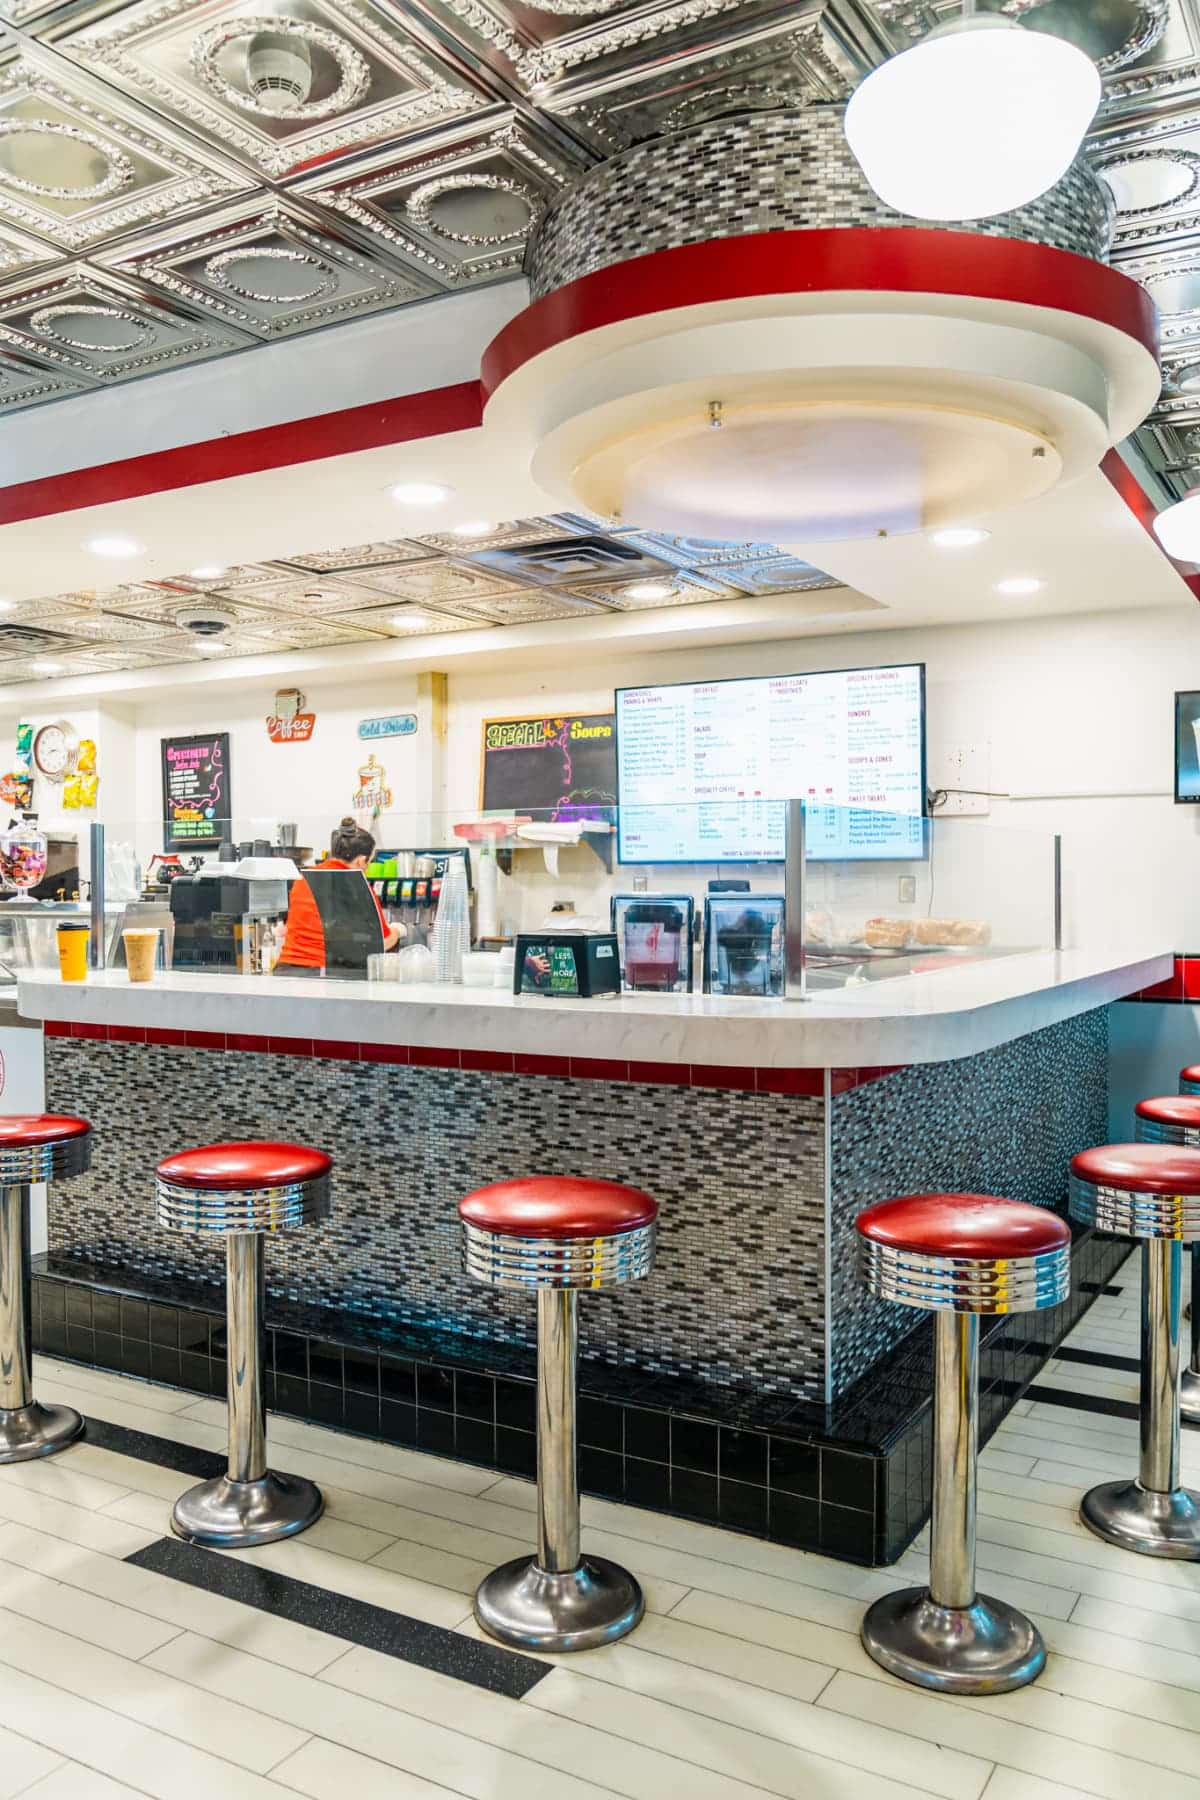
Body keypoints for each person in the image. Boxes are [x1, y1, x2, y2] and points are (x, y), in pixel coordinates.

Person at [276, 817, 400, 974]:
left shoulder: (304, 879)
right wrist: (398, 931)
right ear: (362, 861)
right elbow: (382, 943)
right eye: (370, 862)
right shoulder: (358, 887)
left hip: (285, 970)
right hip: (321, 975)